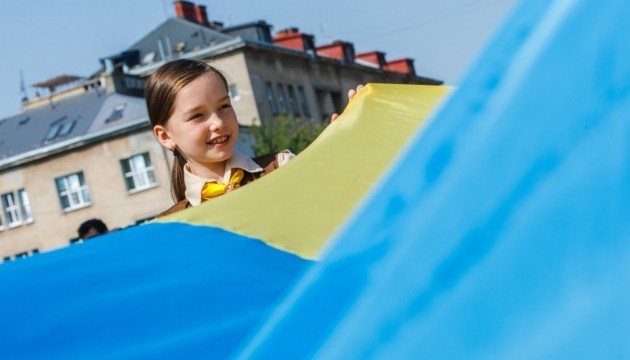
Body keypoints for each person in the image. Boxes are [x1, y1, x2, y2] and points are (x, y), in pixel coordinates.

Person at [146, 59, 360, 216]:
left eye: (224, 106)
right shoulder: (169, 226)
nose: (218, 123)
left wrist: (343, 141)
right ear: (165, 136)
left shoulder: (282, 167)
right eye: (197, 115)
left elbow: (336, 201)